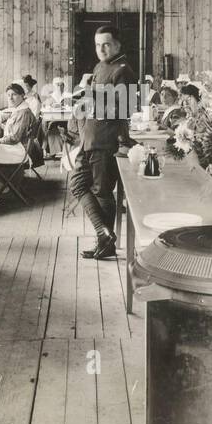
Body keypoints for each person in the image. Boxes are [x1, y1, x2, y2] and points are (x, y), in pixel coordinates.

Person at [72, 23, 137, 259]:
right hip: (90, 138)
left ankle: (106, 241)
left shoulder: (123, 70)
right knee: (77, 184)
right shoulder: (101, 66)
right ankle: (105, 234)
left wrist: (91, 99)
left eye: (106, 44)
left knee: (102, 192)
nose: (102, 49)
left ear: (118, 44)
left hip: (106, 140)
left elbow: (126, 107)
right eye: (98, 45)